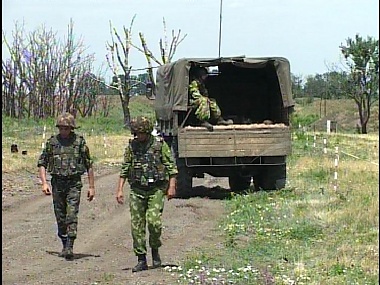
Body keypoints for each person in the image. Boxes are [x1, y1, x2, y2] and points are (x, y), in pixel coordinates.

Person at [115, 116, 178, 272]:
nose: (139, 136)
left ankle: (155, 250)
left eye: (141, 133)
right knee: (137, 225)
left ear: (148, 131)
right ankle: (141, 258)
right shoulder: (132, 147)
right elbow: (125, 167)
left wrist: (171, 187)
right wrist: (120, 190)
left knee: (154, 222)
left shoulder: (159, 145)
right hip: (137, 189)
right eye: (136, 133)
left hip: (156, 189)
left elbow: (171, 167)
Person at [37, 112, 95, 261]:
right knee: (60, 216)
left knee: (71, 214)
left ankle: (70, 245)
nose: (64, 131)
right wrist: (44, 183)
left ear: (72, 129)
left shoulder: (79, 142)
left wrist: (91, 186)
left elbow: (89, 164)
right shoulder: (52, 143)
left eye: (67, 128)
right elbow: (42, 163)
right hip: (57, 183)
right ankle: (64, 242)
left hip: (74, 183)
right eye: (61, 128)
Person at [189, 66, 233, 131]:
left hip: (199, 99)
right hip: (192, 101)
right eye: (204, 75)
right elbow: (194, 93)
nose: (206, 77)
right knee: (204, 100)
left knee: (212, 101)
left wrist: (207, 98)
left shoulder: (201, 83)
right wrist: (204, 98)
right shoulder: (194, 83)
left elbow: (205, 93)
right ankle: (202, 121)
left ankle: (218, 119)